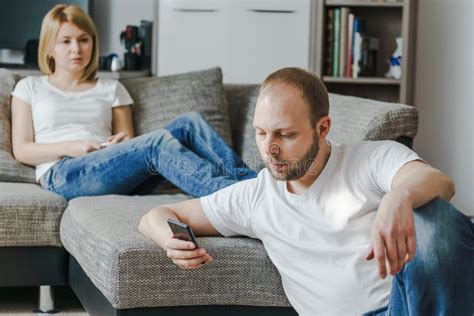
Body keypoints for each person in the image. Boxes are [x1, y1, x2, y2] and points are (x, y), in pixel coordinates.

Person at [139, 67, 474, 315]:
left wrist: (398, 198)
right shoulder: (255, 197)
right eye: (261, 133)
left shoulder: (369, 159)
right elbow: (159, 215)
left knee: (433, 216)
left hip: (406, 305)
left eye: (284, 135)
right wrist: (168, 239)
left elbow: (440, 182)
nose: (269, 149)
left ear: (322, 128)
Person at [10, 4, 255, 201]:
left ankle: (252, 185)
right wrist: (71, 147)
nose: (76, 49)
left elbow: (128, 140)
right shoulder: (29, 87)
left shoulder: (112, 87)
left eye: (83, 39)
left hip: (113, 168)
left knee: (189, 123)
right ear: (49, 48)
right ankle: (234, 198)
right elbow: (22, 150)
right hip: (63, 174)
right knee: (156, 142)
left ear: (92, 43)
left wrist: (120, 141)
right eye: (66, 41)